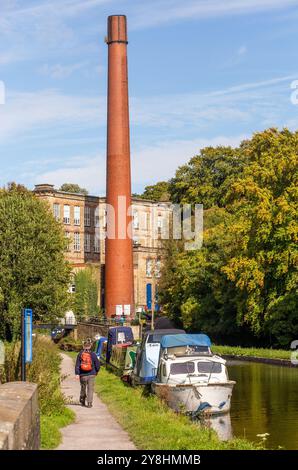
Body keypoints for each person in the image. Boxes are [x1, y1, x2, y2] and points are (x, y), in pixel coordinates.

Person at [75, 338, 100, 408]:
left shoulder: (80, 354)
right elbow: (97, 364)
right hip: (92, 374)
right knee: (90, 389)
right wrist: (97, 371)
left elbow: (77, 364)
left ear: (83, 346)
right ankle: (89, 403)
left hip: (83, 375)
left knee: (83, 387)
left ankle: (82, 400)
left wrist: (77, 373)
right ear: (90, 346)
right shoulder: (93, 354)